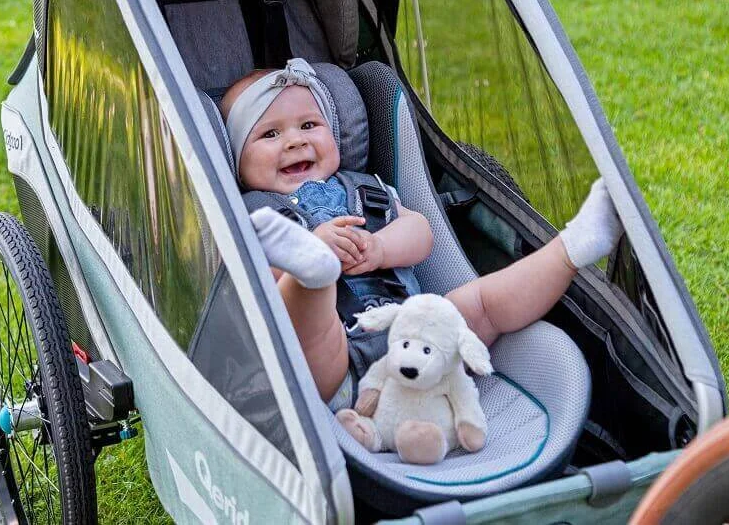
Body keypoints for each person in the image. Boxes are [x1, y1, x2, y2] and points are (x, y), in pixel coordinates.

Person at [221, 59, 623, 413]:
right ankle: (313, 273)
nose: (295, 141)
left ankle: (572, 248)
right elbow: (254, 286)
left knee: (478, 302)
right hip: (340, 366)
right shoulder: (255, 214)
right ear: (238, 163)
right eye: (270, 135)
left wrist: (380, 248)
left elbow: (421, 233)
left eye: (309, 125)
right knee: (312, 330)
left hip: (418, 335)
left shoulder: (368, 189)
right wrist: (313, 256)